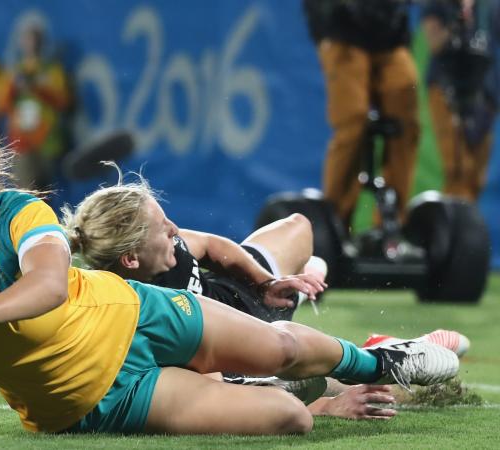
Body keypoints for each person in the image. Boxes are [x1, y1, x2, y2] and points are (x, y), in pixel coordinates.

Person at [0, 118, 459, 435]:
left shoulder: (17, 211)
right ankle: (325, 391)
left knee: (284, 344)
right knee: (291, 420)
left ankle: (387, 363)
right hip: (95, 399)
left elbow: (51, 282)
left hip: (136, 310)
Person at [60, 174, 404, 420]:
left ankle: (298, 287)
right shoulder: (136, 319)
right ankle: (354, 333)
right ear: (131, 260)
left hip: (244, 297)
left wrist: (266, 283)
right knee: (351, 387)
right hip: (244, 354)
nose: (175, 230)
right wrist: (327, 407)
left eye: (168, 221)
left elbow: (211, 246)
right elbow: (217, 394)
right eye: (163, 230)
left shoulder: (163, 249)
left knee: (299, 225)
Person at [303, 0, 420, 225]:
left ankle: (391, 225)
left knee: (406, 126)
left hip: (390, 38)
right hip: (343, 33)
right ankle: (335, 222)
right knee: (353, 121)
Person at [421, 0, 500, 201]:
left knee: (476, 177)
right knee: (458, 170)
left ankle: (464, 228)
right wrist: (456, 23)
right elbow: (435, 44)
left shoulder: (489, 6)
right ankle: (454, 228)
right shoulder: (439, 4)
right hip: (448, 89)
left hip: (485, 94)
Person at [0, 24, 70, 191]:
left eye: (35, 39)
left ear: (42, 43)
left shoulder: (52, 70)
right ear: (21, 43)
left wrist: (38, 87)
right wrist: (14, 88)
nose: (31, 44)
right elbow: (0, 105)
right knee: (26, 193)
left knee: (47, 193)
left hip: (47, 141)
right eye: (28, 40)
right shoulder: (14, 71)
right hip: (22, 141)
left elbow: (63, 102)